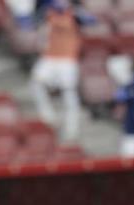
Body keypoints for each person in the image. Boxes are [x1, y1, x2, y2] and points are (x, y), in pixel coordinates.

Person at [29, 0, 95, 141]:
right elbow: (33, 21)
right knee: (36, 83)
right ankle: (48, 115)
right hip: (50, 57)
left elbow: (91, 21)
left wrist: (74, 10)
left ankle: (72, 128)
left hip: (68, 59)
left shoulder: (74, 13)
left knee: (69, 92)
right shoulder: (47, 11)